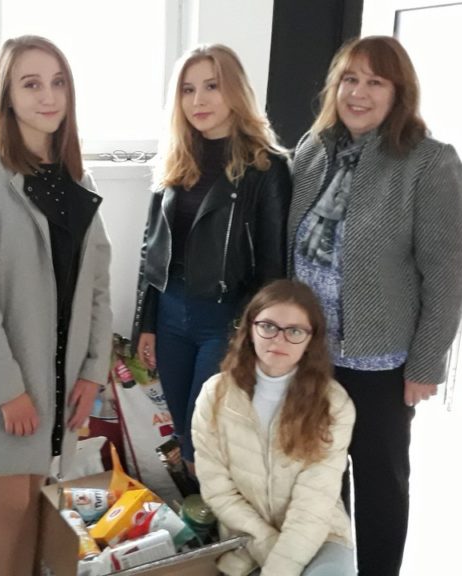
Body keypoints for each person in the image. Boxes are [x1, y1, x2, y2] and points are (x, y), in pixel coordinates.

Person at [288, 36, 462, 575]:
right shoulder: (314, 149)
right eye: (350, 79)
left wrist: (426, 363)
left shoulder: (429, 163)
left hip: (379, 363)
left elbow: (447, 274)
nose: (359, 93)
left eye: (375, 81)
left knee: (380, 482)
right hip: (311, 357)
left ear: (399, 93)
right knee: (320, 480)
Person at [0, 35, 112, 576]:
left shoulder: (77, 180)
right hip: (4, 382)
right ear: (7, 96)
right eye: (31, 83)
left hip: (59, 376)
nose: (48, 96)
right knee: (10, 506)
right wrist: (8, 390)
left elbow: (98, 283)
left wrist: (93, 371)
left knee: (36, 500)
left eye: (58, 82)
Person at [132, 44, 292, 468]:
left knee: (207, 437)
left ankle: (215, 507)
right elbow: (151, 248)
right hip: (170, 313)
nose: (198, 100)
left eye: (211, 86)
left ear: (235, 91)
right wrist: (145, 324)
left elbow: (273, 268)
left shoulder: (266, 167)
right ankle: (199, 507)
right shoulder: (174, 158)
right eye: (187, 89)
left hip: (224, 318)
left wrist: (249, 333)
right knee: (183, 433)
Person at [192, 279, 356, 576]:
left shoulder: (334, 404)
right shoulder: (214, 395)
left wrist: (279, 568)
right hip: (245, 542)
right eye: (268, 326)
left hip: (318, 538)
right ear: (250, 328)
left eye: (295, 331)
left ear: (311, 339)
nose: (279, 340)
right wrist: (268, 545)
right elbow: (217, 491)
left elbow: (313, 505)